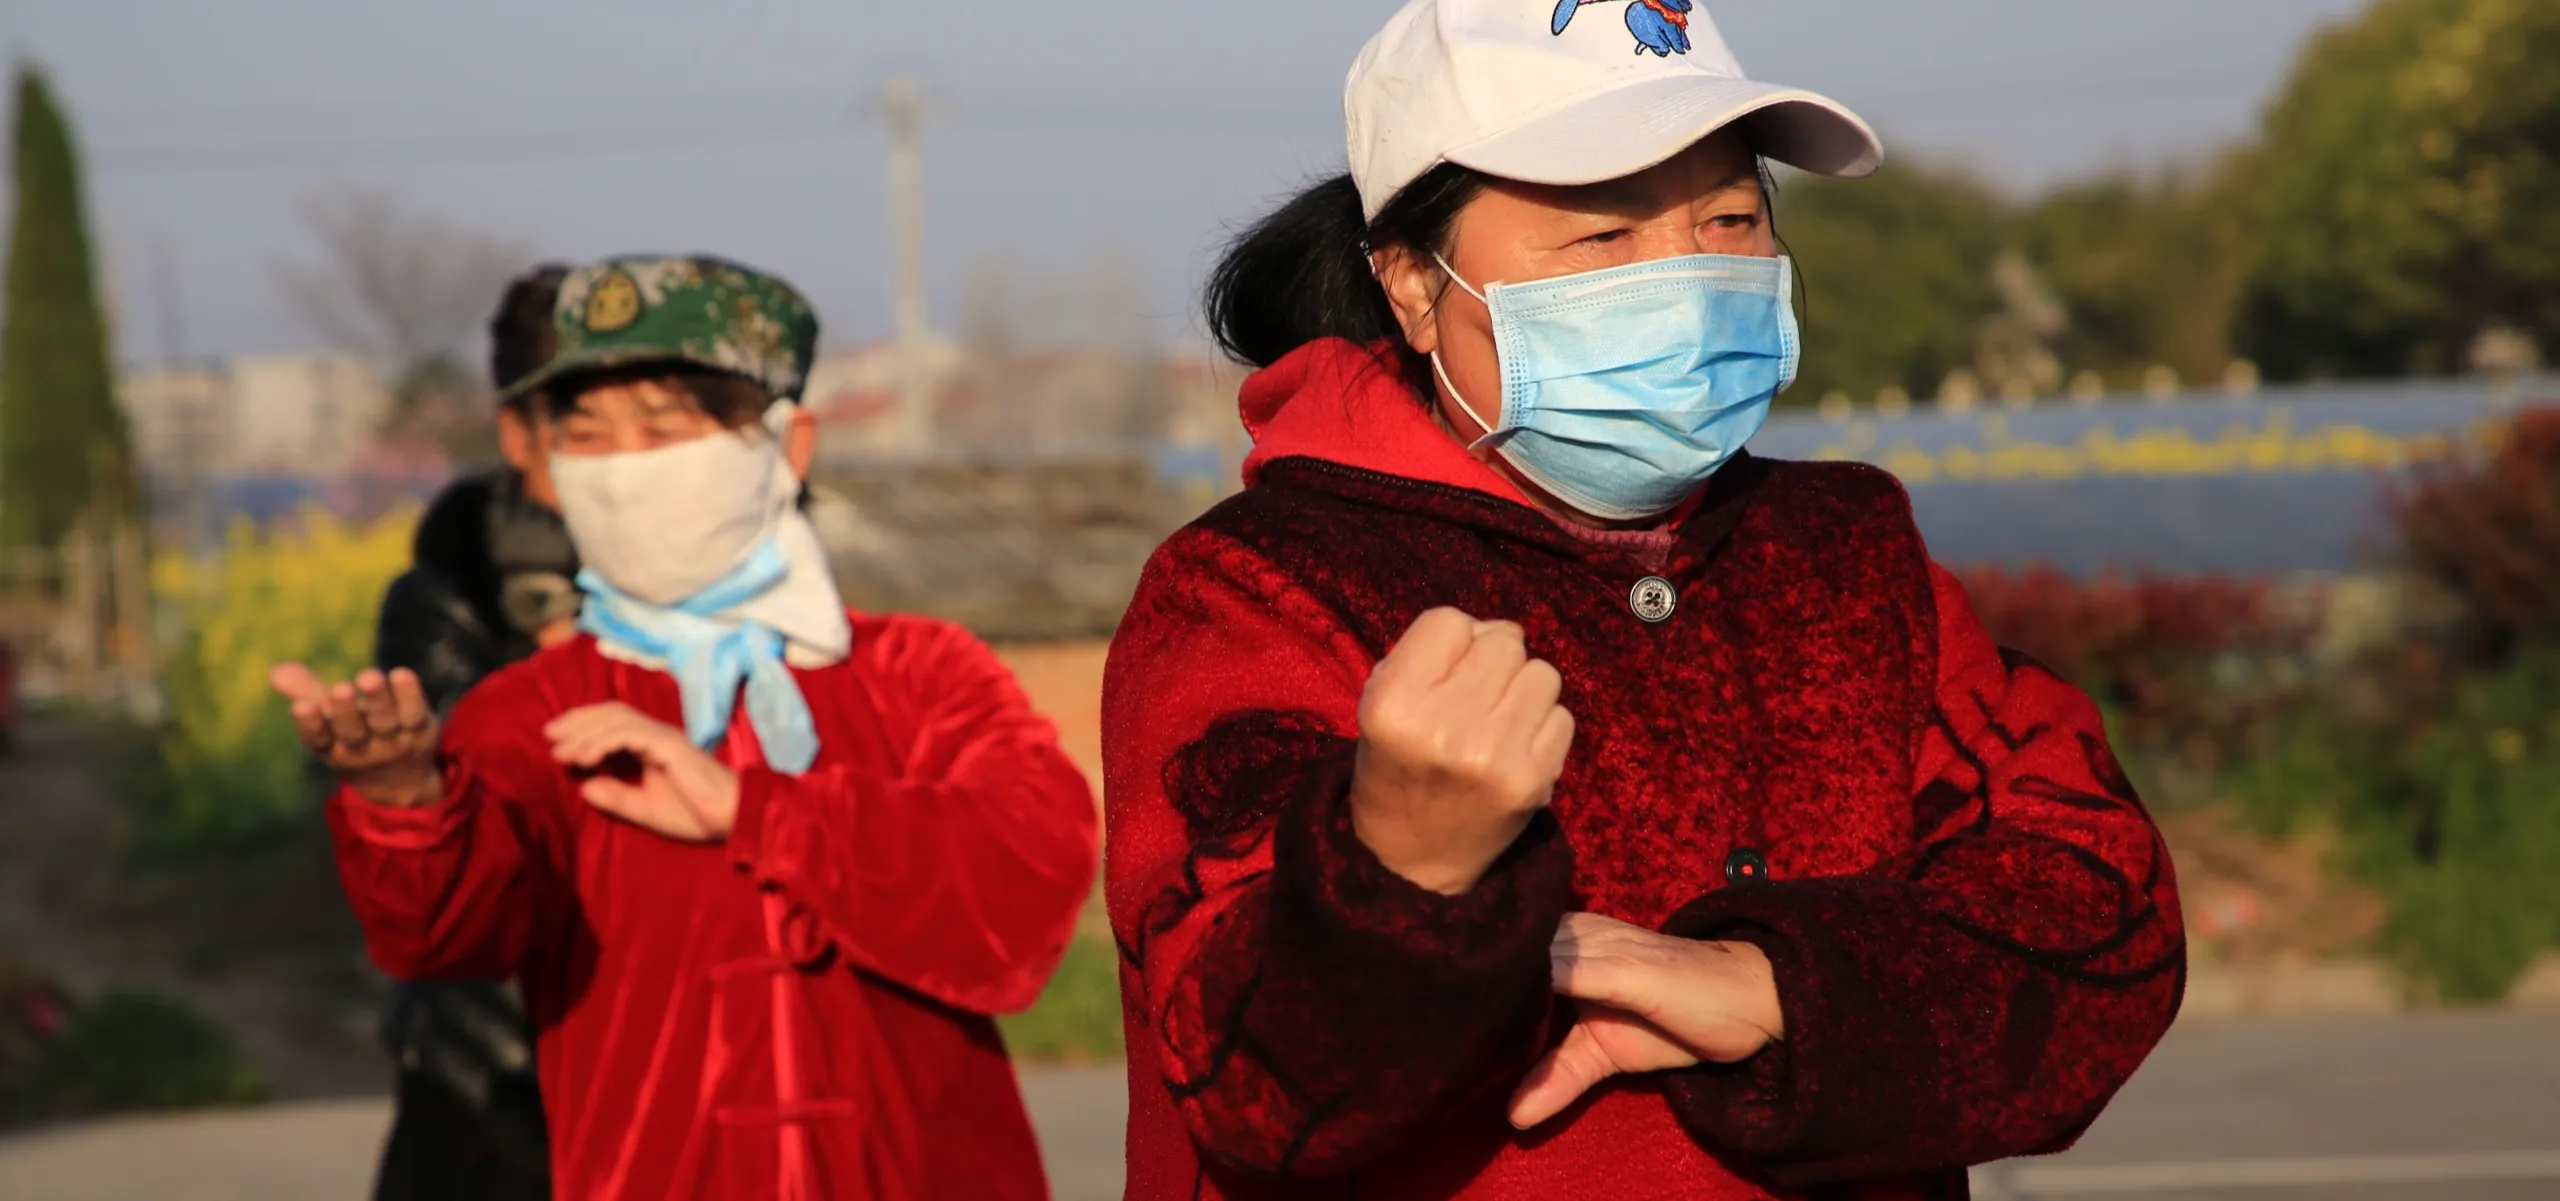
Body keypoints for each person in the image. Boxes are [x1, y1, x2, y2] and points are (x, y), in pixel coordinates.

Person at [1102, 4, 2185, 1199]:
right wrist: (1396, 861)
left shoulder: (1845, 553)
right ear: (1412, 283)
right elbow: (1242, 1080)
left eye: (1728, 217)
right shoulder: (1256, 586)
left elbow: (2101, 904)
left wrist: (1778, 986)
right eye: (1603, 233)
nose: (1683, 276)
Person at [276, 255, 1100, 1201]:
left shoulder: (919, 673)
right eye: (587, 437)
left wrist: (762, 811)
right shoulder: (534, 708)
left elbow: (1031, 878)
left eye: (663, 429)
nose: (625, 472)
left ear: (786, 448)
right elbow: (449, 933)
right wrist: (402, 799)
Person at [364, 262, 574, 1201]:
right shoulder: (447, 597)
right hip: (494, 1073)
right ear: (516, 432)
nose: (626, 458)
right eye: (585, 424)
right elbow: (476, 793)